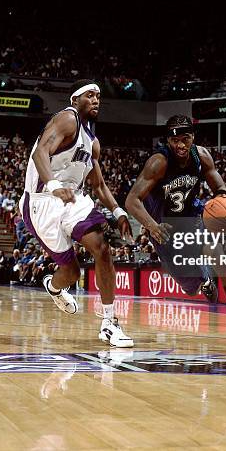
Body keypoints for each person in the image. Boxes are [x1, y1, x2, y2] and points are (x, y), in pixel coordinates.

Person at [125, 114, 226, 354]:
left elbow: (216, 183)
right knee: (188, 287)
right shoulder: (158, 162)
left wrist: (223, 194)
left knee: (219, 257)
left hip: (193, 217)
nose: (181, 145)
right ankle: (204, 279)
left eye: (186, 139)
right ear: (167, 141)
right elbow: (132, 200)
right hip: (164, 227)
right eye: (175, 141)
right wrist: (152, 226)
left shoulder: (201, 155)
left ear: (192, 137)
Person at [20, 79, 134, 348]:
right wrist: (54, 185)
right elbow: (40, 153)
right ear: (75, 100)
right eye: (90, 95)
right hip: (42, 200)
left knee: (102, 247)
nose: (96, 100)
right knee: (71, 272)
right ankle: (55, 286)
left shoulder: (92, 143)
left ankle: (109, 323)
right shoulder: (66, 119)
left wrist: (118, 212)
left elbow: (99, 185)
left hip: (74, 199)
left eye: (98, 96)